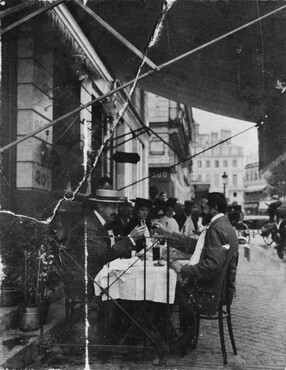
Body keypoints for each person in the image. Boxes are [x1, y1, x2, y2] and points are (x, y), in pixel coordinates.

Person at [155, 192, 239, 352]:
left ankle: (183, 338)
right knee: (176, 286)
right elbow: (196, 245)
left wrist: (184, 268)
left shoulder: (216, 229)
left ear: (214, 208)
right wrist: (169, 235)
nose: (201, 210)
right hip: (220, 290)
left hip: (210, 294)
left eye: (204, 207)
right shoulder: (223, 225)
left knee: (170, 290)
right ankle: (186, 336)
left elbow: (211, 265)